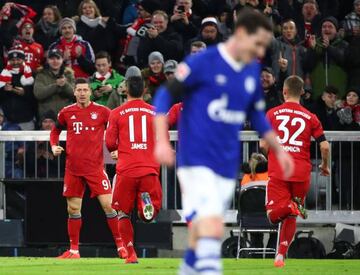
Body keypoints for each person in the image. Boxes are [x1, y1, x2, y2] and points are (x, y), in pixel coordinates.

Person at [153, 9, 294, 275]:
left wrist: (279, 149)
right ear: (241, 35)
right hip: (195, 158)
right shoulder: (202, 62)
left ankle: (191, 269)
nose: (262, 51)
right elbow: (163, 96)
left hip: (226, 162)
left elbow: (257, 115)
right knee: (211, 225)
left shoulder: (251, 70)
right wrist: (161, 141)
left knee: (202, 229)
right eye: (259, 43)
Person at [50, 78, 127, 259]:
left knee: (109, 206)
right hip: (73, 168)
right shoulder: (66, 112)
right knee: (73, 209)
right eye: (79, 90)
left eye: (85, 90)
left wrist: (117, 148)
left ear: (90, 92)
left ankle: (121, 246)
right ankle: (74, 250)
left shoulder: (102, 111)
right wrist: (54, 146)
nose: (83, 93)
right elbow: (55, 131)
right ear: (74, 92)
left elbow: (118, 127)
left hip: (95, 168)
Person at [262, 75, 330, 268]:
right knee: (291, 217)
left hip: (279, 170)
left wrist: (269, 154)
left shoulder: (272, 114)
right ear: (302, 92)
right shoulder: (311, 117)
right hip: (301, 173)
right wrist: (324, 166)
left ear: (284, 91)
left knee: (273, 215)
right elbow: (324, 146)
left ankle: (291, 207)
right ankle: (280, 256)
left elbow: (263, 144)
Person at [105, 75, 162, 264]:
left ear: (126, 90)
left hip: (127, 170)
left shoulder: (116, 113)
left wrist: (118, 149)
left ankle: (130, 254)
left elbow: (110, 143)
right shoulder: (155, 112)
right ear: (144, 91)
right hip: (149, 169)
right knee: (147, 213)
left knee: (122, 213)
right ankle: (146, 207)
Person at [305, 17, 348, 99]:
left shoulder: (343, 45)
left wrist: (329, 48)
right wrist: (313, 50)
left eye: (330, 27)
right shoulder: (314, 44)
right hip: (318, 95)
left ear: (336, 30)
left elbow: (344, 60)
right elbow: (308, 66)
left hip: (338, 95)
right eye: (324, 27)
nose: (326, 29)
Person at [0, 45, 36, 130]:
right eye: (12, 60)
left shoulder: (31, 74)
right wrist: (4, 90)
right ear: (9, 61)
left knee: (27, 143)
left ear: (23, 60)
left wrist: (25, 92)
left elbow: (36, 96)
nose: (15, 62)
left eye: (18, 59)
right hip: (8, 121)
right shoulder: (2, 75)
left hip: (27, 120)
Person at [34, 48, 75, 120]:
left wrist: (65, 85)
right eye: (52, 58)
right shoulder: (40, 75)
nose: (55, 61)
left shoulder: (69, 74)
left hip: (66, 117)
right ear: (47, 60)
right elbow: (38, 94)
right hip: (47, 119)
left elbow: (75, 94)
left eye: (58, 58)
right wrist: (56, 85)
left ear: (62, 60)